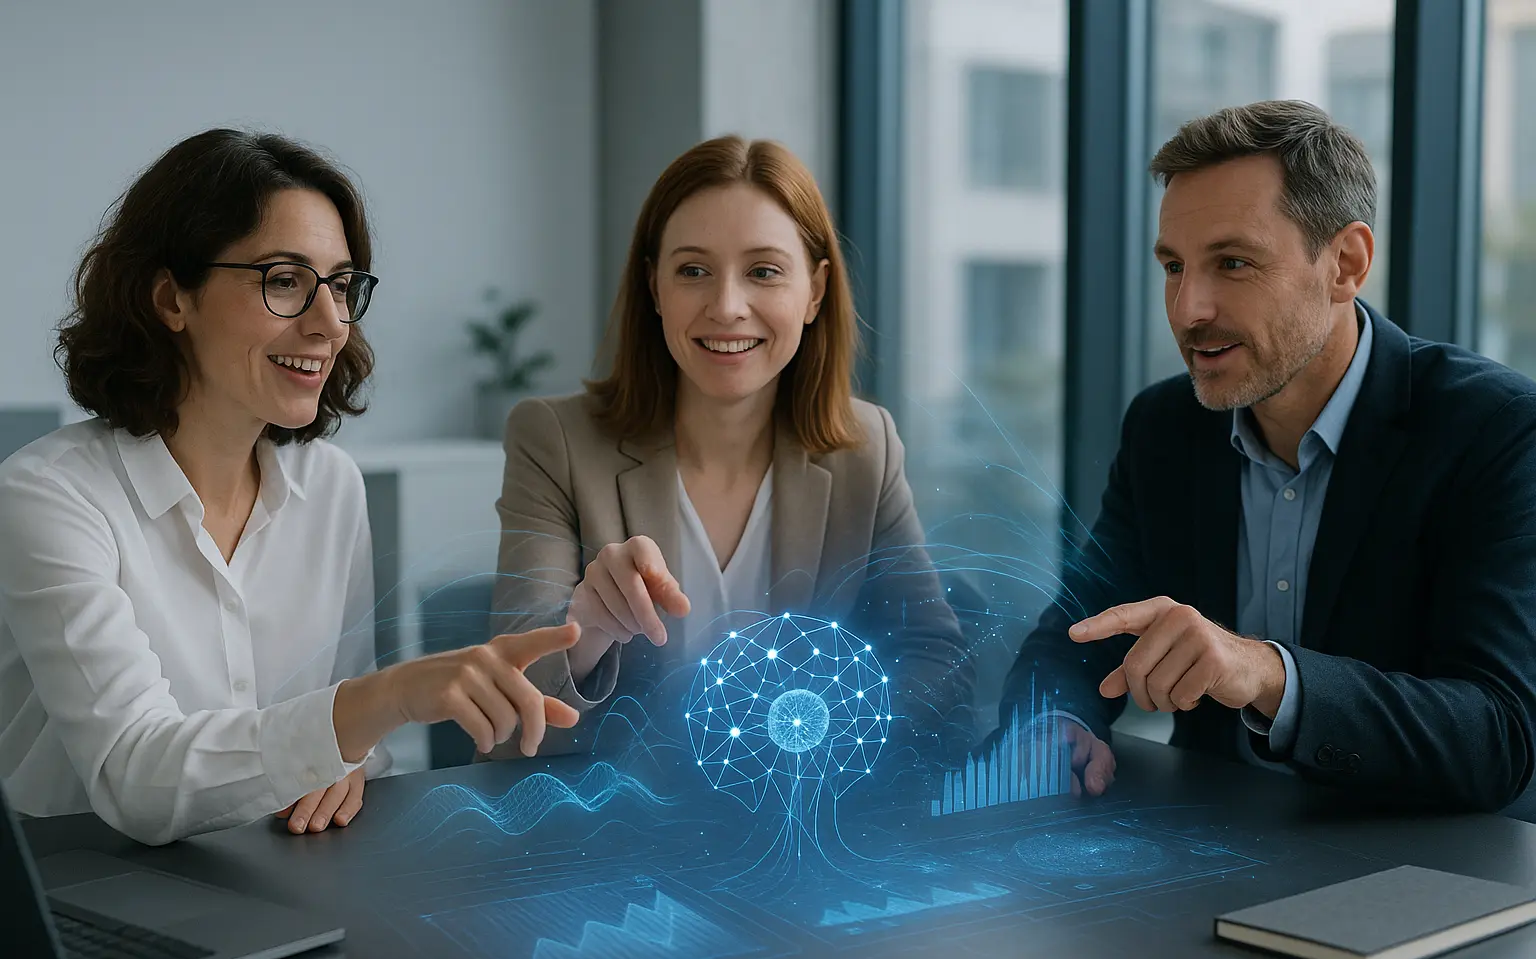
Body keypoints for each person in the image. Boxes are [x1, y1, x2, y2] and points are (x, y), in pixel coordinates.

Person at [0, 129, 583, 846]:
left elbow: (353, 743)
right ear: (171, 298)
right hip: (79, 888)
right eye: (285, 282)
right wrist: (384, 702)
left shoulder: (329, 485)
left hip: (274, 870)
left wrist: (352, 750)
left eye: (341, 286)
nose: (330, 322)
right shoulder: (49, 497)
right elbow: (134, 775)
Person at [998, 100, 1536, 812]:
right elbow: (1075, 638)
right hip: (1211, 849)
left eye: (1233, 263)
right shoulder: (1165, 427)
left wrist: (1268, 676)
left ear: (1345, 264)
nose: (1189, 309)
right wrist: (1052, 726)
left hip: (1419, 871)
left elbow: (1499, 738)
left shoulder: (1494, 429)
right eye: (1173, 266)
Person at [490, 135, 974, 765]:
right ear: (654, 286)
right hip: (619, 836)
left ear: (816, 291)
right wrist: (587, 632)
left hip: (808, 828)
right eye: (693, 271)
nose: (726, 307)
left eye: (764, 271)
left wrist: (827, 742)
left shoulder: (866, 447)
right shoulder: (554, 439)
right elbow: (504, 718)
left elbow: (936, 659)